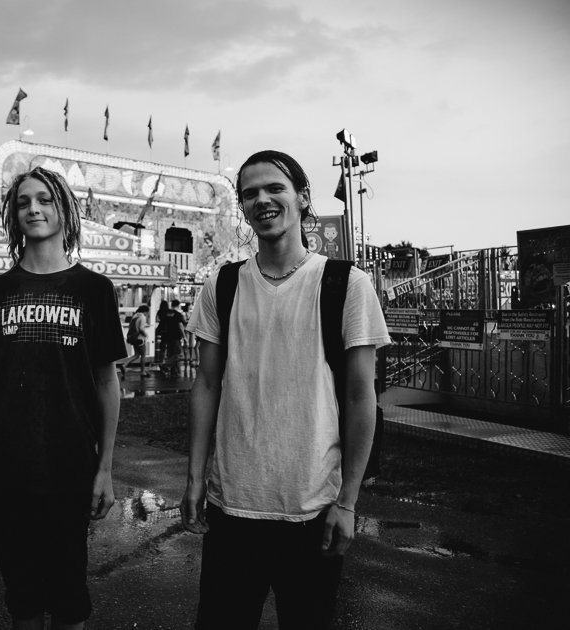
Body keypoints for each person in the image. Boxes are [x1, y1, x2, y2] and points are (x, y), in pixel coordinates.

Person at [182, 150, 391, 629]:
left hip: (313, 507)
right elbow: (207, 383)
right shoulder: (224, 284)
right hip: (232, 506)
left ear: (302, 198)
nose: (262, 200)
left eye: (274, 188)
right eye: (250, 193)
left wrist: (348, 503)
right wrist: (195, 477)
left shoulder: (345, 284)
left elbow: (362, 399)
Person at [0, 166, 124, 630]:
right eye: (23, 202)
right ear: (13, 216)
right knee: (23, 596)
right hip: (6, 467)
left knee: (69, 595)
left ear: (65, 209)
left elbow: (107, 382)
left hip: (71, 466)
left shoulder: (94, 289)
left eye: (45, 199)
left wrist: (105, 469)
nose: (33, 208)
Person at [158, 299, 186, 379]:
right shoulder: (177, 314)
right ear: (178, 305)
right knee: (177, 353)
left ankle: (174, 372)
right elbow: (180, 326)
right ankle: (166, 366)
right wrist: (185, 337)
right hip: (176, 336)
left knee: (171, 354)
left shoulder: (167, 313)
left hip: (167, 336)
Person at [120, 305, 150, 377]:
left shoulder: (135, 316)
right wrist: (146, 335)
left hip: (134, 338)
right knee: (143, 355)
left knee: (136, 355)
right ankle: (143, 372)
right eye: (147, 312)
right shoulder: (142, 317)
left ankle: (124, 365)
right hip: (140, 338)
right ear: (145, 311)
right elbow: (141, 328)